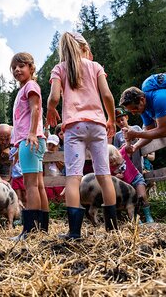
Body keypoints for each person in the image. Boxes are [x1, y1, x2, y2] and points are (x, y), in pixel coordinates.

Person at [47, 32, 117, 239]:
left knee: (73, 178)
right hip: (97, 125)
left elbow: (54, 97)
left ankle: (74, 232)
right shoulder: (95, 67)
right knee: (104, 175)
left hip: (74, 127)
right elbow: (107, 95)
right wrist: (111, 119)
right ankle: (112, 229)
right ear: (85, 48)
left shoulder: (59, 69)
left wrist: (51, 109)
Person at [10, 52, 48, 240]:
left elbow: (35, 109)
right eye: (14, 67)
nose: (17, 70)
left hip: (30, 139)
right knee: (38, 185)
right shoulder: (23, 89)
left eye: (22, 66)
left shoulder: (31, 86)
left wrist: (31, 133)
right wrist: (17, 147)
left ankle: (29, 230)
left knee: (30, 185)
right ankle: (42, 228)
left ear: (31, 68)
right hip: (28, 141)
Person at [108, 144, 154, 223]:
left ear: (116, 154)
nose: (113, 164)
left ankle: (148, 215)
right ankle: (135, 219)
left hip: (136, 178)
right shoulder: (108, 166)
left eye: (113, 161)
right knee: (130, 203)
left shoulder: (122, 153)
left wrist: (128, 139)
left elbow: (128, 146)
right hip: (125, 187)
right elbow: (109, 178)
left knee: (142, 196)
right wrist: (116, 177)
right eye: (110, 162)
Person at [44, 134, 65, 203]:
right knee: (50, 198)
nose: (51, 147)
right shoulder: (45, 155)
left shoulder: (60, 155)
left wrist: (55, 158)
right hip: (47, 181)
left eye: (53, 145)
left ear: (57, 146)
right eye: (49, 145)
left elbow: (61, 167)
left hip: (58, 179)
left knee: (60, 198)